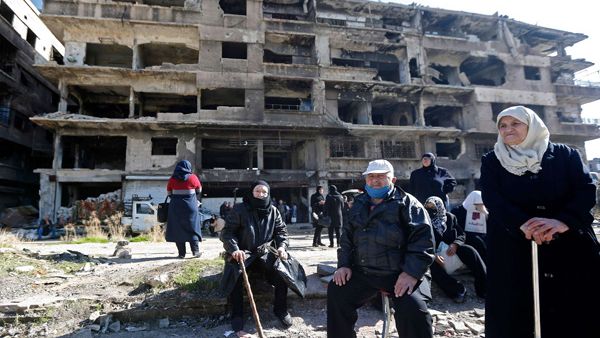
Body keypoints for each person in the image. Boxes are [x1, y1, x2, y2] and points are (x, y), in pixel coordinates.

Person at [480, 106, 600, 338]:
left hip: (567, 243)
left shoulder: (566, 155)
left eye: (515, 124)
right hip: (514, 244)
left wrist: (562, 222)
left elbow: (585, 191)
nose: (508, 129)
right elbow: (493, 198)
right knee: (517, 310)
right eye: (503, 125)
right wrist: (523, 224)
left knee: (574, 308)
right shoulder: (493, 160)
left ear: (532, 125)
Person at [327, 159, 435, 338]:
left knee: (413, 307)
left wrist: (411, 273)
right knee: (337, 291)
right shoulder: (358, 204)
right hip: (366, 271)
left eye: (381, 176)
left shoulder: (409, 204)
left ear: (392, 180)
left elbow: (423, 241)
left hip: (401, 272)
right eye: (371, 176)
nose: (375, 180)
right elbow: (346, 238)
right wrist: (344, 264)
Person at [220, 180, 292, 337]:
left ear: (268, 194)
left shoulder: (274, 211)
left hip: (264, 253)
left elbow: (281, 232)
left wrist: (282, 247)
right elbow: (227, 233)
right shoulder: (239, 209)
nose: (261, 195)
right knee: (236, 274)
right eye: (257, 191)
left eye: (264, 192)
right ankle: (237, 316)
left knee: (281, 272)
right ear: (251, 192)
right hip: (243, 254)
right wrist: (235, 249)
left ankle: (281, 310)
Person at [424, 196, 486, 303]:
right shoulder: (424, 221)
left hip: (451, 251)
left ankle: (484, 288)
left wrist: (455, 244)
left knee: (469, 251)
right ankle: (458, 290)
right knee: (431, 264)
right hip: (434, 255)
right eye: (428, 208)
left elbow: (461, 234)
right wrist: (433, 255)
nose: (431, 211)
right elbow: (421, 242)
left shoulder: (450, 218)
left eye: (433, 208)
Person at [166, 160, 202, 259]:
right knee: (192, 228)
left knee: (178, 229)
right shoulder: (193, 177)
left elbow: (169, 193)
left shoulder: (172, 179)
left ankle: (181, 254)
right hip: (190, 207)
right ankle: (195, 252)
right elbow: (199, 190)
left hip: (176, 208)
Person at [451, 190, 488, 263]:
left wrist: (485, 214)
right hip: (464, 236)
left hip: (480, 235)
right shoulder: (457, 211)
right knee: (478, 242)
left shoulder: (483, 211)